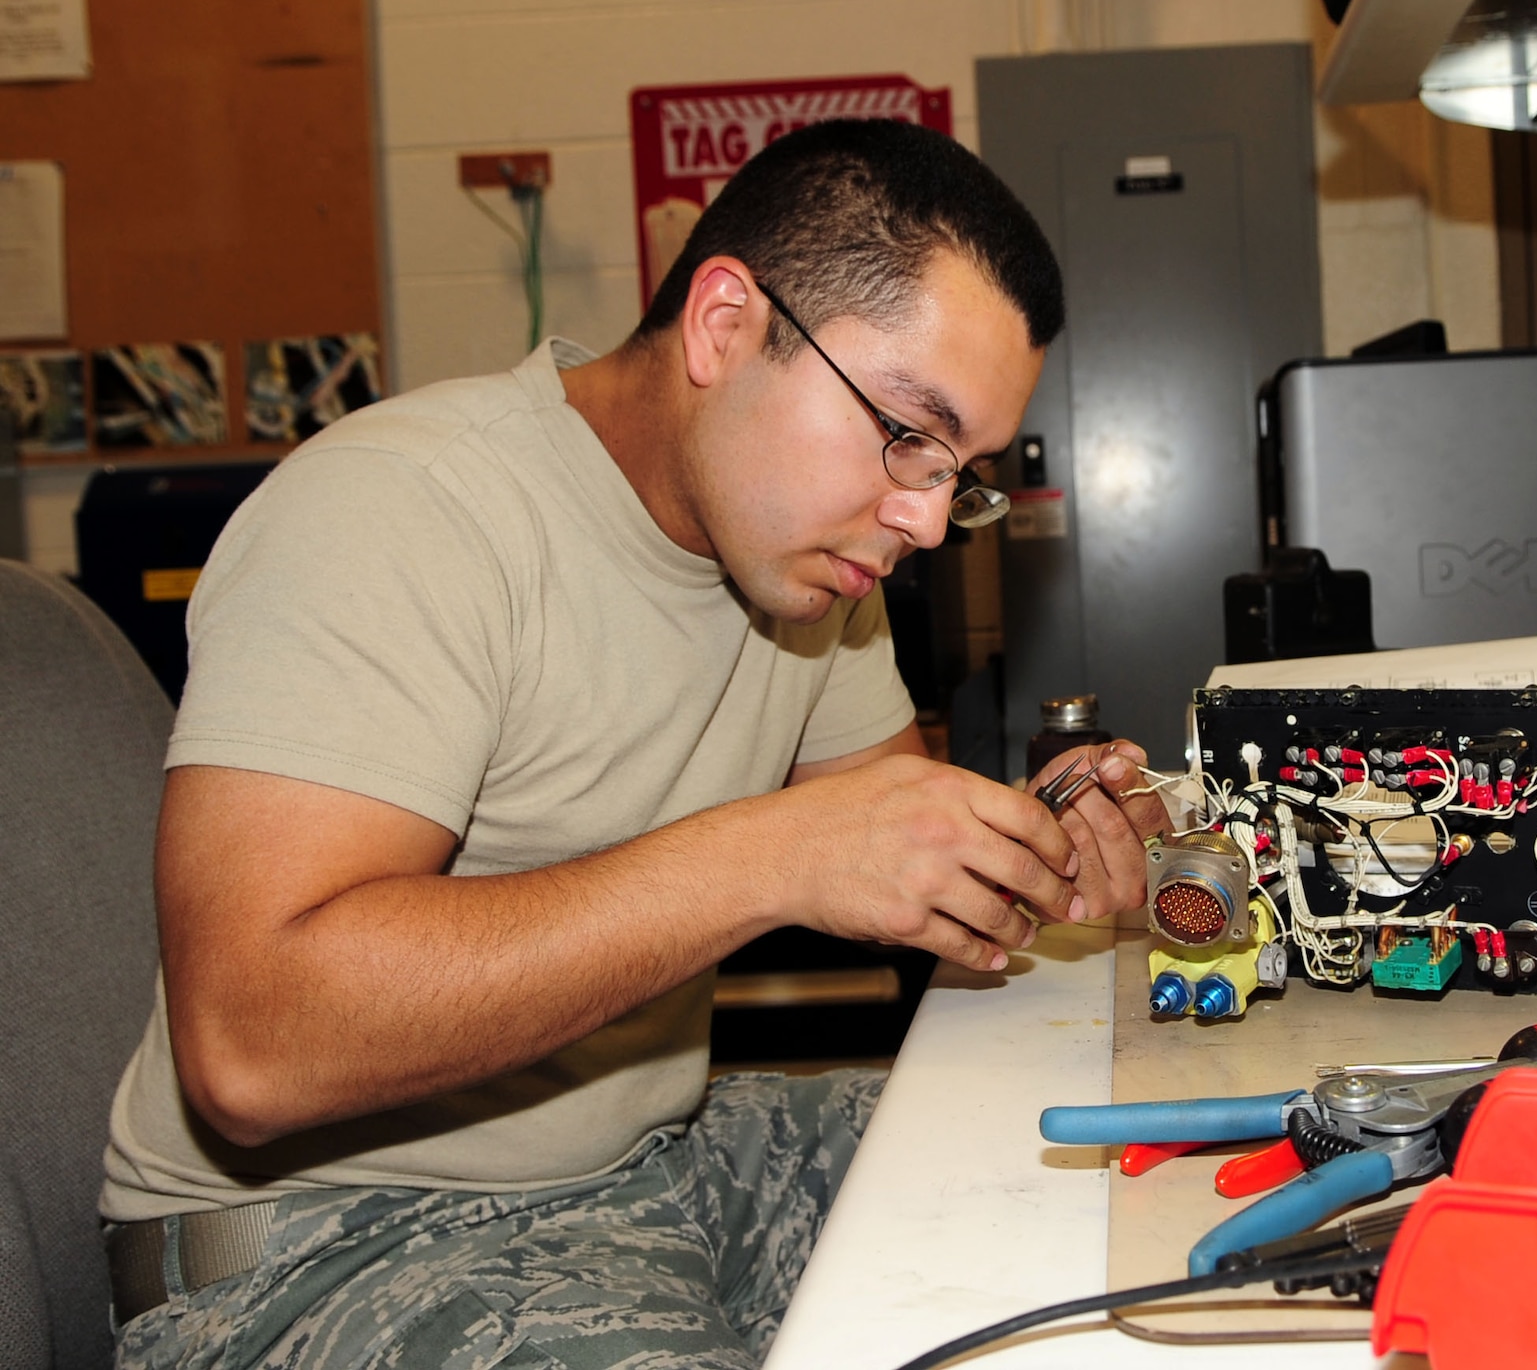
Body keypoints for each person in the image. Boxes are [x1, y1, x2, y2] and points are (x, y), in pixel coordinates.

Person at [101, 118, 1168, 1368]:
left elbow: (882, 844)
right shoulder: (400, 512)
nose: (925, 519)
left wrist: (1045, 849)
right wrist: (773, 853)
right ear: (724, 326)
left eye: (960, 470)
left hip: (650, 1167)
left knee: (1119, 1176)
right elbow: (252, 1044)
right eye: (904, 435)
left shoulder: (812, 565)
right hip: (321, 1246)